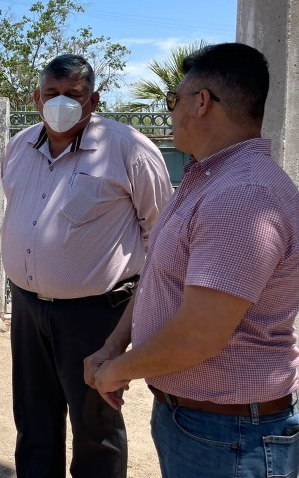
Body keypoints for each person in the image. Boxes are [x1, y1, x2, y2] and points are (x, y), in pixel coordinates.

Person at [85, 42, 299, 478]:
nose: (170, 112)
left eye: (173, 100)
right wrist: (113, 345)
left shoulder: (242, 196)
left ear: (201, 103)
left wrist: (115, 372)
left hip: (230, 435)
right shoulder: (208, 179)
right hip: (207, 426)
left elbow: (198, 336)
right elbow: (160, 280)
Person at [1, 53, 173, 478]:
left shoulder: (128, 149)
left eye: (74, 95)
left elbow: (163, 237)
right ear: (37, 99)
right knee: (33, 419)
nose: (62, 103)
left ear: (93, 100)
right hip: (27, 308)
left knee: (96, 427)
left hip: (97, 315)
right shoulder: (19, 147)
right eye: (52, 94)